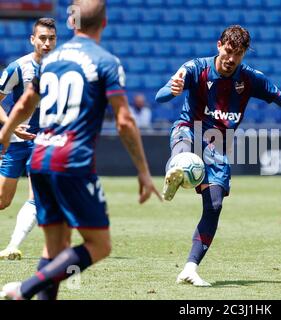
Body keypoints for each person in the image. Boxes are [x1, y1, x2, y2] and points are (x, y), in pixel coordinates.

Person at [0, 0, 161, 300]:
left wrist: (5, 134)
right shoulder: (106, 61)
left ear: (71, 25)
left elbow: (23, 104)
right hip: (71, 161)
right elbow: (125, 121)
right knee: (100, 245)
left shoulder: (48, 59)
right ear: (104, 23)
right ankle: (24, 289)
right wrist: (143, 171)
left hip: (40, 157)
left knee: (55, 247)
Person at [155, 25, 281, 286]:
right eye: (228, 51)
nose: (231, 59)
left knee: (214, 205)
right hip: (190, 129)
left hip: (217, 145)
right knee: (185, 151)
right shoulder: (195, 68)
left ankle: (190, 269)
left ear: (244, 53)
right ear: (219, 45)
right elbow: (160, 95)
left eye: (238, 54)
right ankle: (177, 171)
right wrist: (172, 90)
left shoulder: (250, 78)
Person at [0, 18, 57, 260]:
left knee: (37, 196)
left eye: (51, 38)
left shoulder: (63, 68)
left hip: (44, 141)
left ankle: (13, 245)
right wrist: (9, 125)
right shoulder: (17, 67)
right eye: (42, 38)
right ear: (32, 39)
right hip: (15, 140)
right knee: (3, 200)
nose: (46, 43)